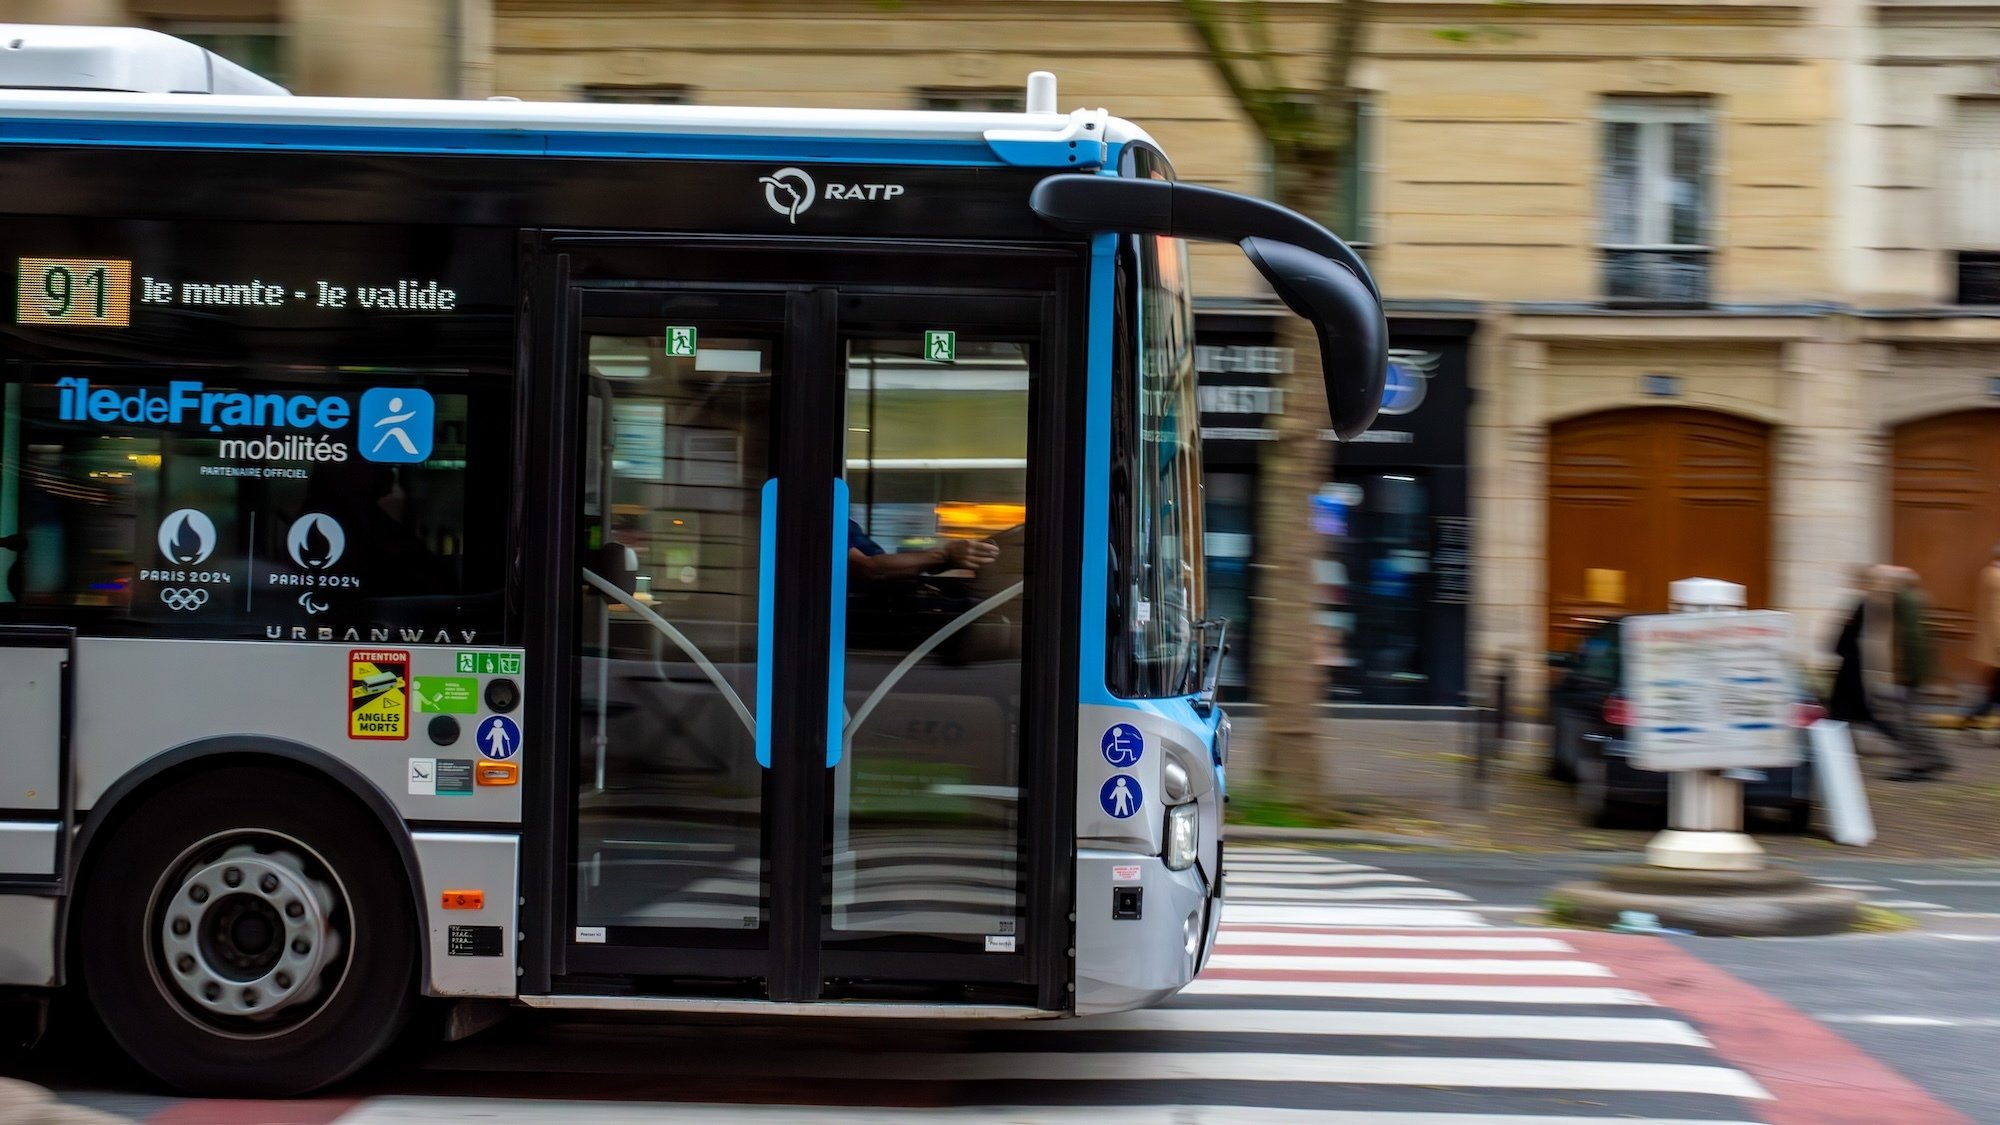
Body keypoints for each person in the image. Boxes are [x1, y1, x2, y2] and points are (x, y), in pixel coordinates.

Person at [846, 520, 997, 583]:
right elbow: (869, 568)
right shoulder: (829, 518)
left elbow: (888, 569)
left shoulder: (846, 522)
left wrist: (945, 561)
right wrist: (943, 555)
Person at [1962, 543, 2000, 742]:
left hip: (1990, 643)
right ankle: (1971, 716)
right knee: (1994, 691)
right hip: (1996, 645)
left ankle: (1971, 716)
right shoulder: (1996, 578)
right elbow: (1996, 614)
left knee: (1994, 691)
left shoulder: (1989, 573)